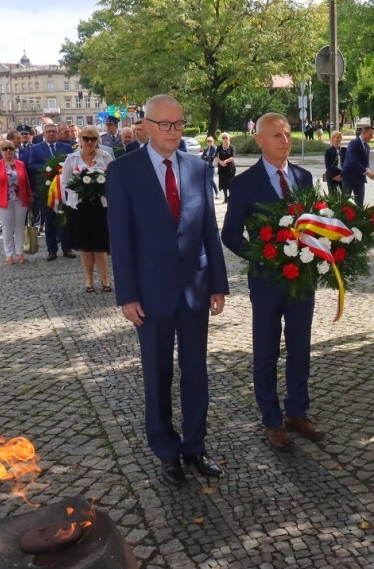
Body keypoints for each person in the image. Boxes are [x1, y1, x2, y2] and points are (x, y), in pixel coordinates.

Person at [106, 94, 229, 487]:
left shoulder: (197, 167)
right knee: (157, 375)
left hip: (194, 288)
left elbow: (208, 229)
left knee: (196, 373)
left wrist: (218, 284)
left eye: (179, 124)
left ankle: (195, 446)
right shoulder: (124, 171)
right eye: (165, 125)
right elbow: (120, 238)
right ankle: (166, 451)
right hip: (150, 292)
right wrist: (126, 295)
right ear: (145, 125)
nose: (173, 132)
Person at [221, 112, 321, 451]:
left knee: (300, 348)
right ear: (259, 140)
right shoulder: (245, 184)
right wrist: (261, 255)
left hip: (302, 281)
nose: (285, 139)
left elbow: (317, 225)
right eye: (276, 135)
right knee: (266, 351)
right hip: (266, 282)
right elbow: (229, 233)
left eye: (288, 133)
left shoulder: (304, 177)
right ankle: (272, 420)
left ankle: (297, 411)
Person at [61, 126, 115, 292]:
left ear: (98, 140)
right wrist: (79, 190)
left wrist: (101, 188)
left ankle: (105, 280)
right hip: (80, 206)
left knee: (99, 246)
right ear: (80, 139)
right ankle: (89, 279)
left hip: (100, 205)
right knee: (85, 246)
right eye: (86, 138)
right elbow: (65, 182)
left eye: (93, 139)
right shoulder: (72, 158)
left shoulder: (105, 157)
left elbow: (114, 179)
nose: (90, 142)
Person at [27, 122, 75, 261]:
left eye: (54, 131)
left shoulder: (66, 147)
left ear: (58, 132)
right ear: (44, 133)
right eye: (49, 132)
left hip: (64, 190)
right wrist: (49, 168)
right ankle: (52, 250)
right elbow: (31, 166)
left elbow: (72, 164)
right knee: (49, 221)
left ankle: (67, 248)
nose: (52, 134)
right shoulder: (36, 148)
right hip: (46, 190)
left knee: (65, 220)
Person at [0, 140, 31, 264]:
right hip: (4, 200)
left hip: (20, 199)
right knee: (7, 228)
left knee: (19, 227)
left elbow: (26, 182)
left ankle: (19, 253)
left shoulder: (20, 164)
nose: (8, 151)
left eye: (10, 148)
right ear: (1, 151)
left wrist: (29, 197)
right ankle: (9, 254)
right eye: (5, 148)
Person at [341, 125, 374, 207]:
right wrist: (366, 172)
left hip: (360, 178)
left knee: (359, 203)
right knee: (345, 202)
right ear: (363, 133)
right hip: (349, 177)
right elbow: (353, 161)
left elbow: (366, 162)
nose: (372, 137)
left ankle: (359, 218)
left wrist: (369, 170)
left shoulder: (367, 147)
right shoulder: (353, 143)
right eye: (370, 135)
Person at [215, 133, 236, 203]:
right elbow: (215, 156)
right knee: (223, 183)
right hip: (222, 168)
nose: (224, 139)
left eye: (226, 137)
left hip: (230, 168)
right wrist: (220, 162)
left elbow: (233, 157)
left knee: (230, 183)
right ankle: (225, 198)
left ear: (228, 138)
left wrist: (225, 161)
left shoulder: (232, 147)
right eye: (223, 137)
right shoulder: (219, 147)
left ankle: (231, 198)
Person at [323, 130, 346, 195]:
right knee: (333, 196)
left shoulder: (344, 150)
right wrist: (334, 176)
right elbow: (328, 166)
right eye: (337, 137)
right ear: (332, 139)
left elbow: (347, 164)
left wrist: (342, 175)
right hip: (332, 177)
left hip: (343, 176)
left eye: (340, 138)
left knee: (344, 196)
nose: (339, 139)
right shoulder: (328, 151)